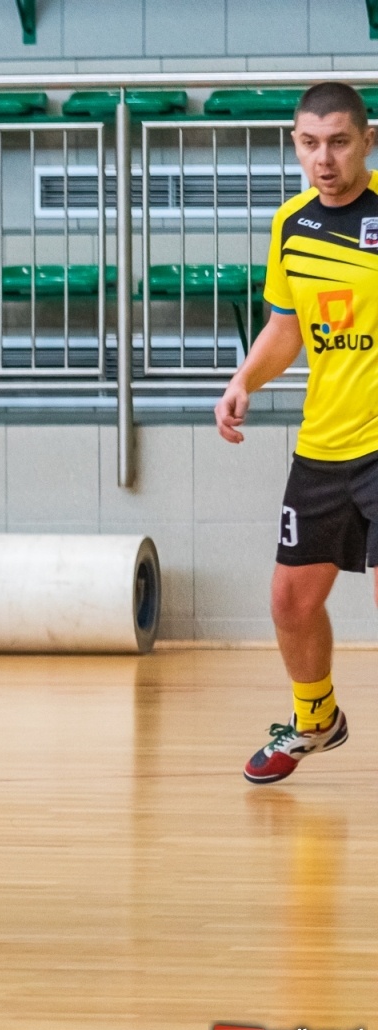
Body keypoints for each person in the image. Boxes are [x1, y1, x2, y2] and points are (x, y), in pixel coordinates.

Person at [216, 81, 378, 783]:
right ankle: (316, 720)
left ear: (367, 141)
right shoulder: (291, 224)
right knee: (290, 603)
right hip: (324, 445)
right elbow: (287, 329)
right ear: (294, 144)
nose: (324, 159)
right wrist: (244, 380)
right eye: (310, 143)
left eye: (339, 141)